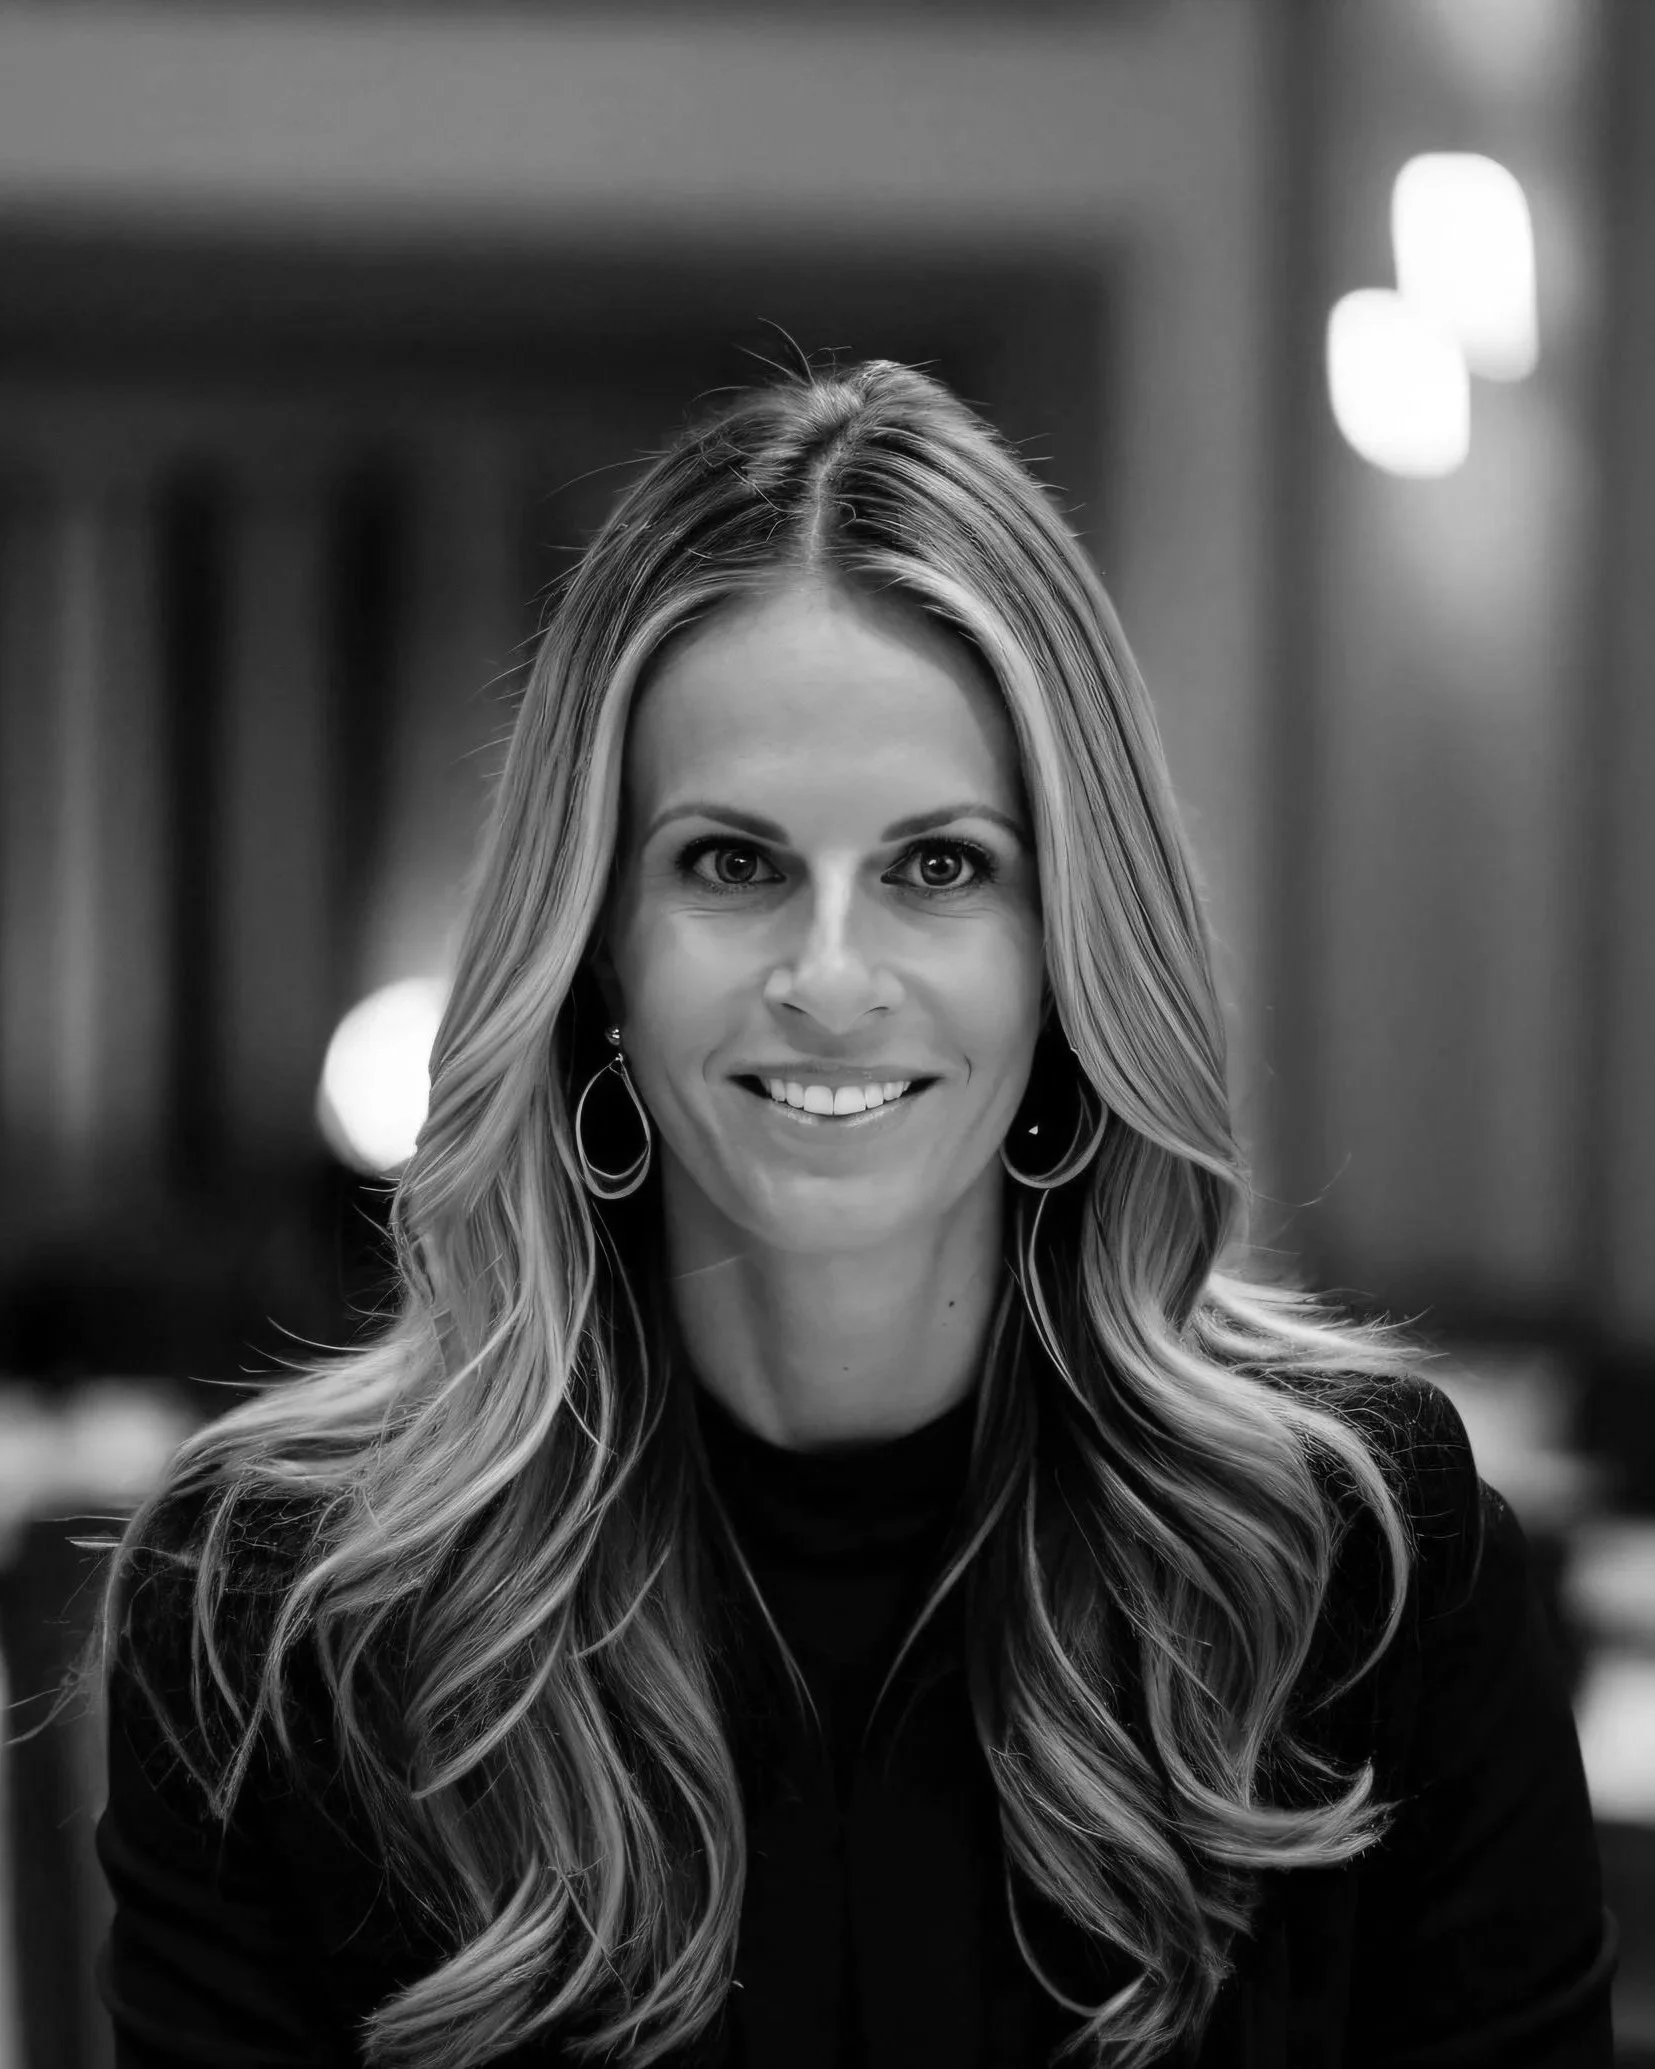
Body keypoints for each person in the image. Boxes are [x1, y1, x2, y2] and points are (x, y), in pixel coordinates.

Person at [67, 358, 1613, 2068]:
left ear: (1067, 950)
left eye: (937, 867)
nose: (827, 978)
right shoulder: (276, 1599)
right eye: (729, 864)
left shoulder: (1360, 1555)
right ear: (595, 950)